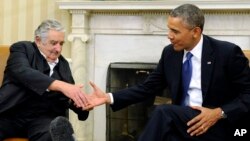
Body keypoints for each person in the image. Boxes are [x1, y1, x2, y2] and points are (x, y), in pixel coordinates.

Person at [86, 4, 250, 141]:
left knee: (163, 112)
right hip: (183, 125)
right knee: (164, 126)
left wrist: (218, 113)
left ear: (196, 32)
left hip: (218, 125)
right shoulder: (170, 54)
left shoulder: (226, 53)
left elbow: (248, 95)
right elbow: (148, 87)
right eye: (169, 29)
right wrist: (108, 97)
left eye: (175, 31)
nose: (169, 36)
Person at [0, 19, 89, 141]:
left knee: (52, 132)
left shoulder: (63, 65)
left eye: (61, 44)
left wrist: (84, 104)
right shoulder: (23, 49)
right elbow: (22, 71)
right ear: (38, 40)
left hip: (41, 119)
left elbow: (66, 98)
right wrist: (60, 85)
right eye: (53, 43)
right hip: (10, 114)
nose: (58, 49)